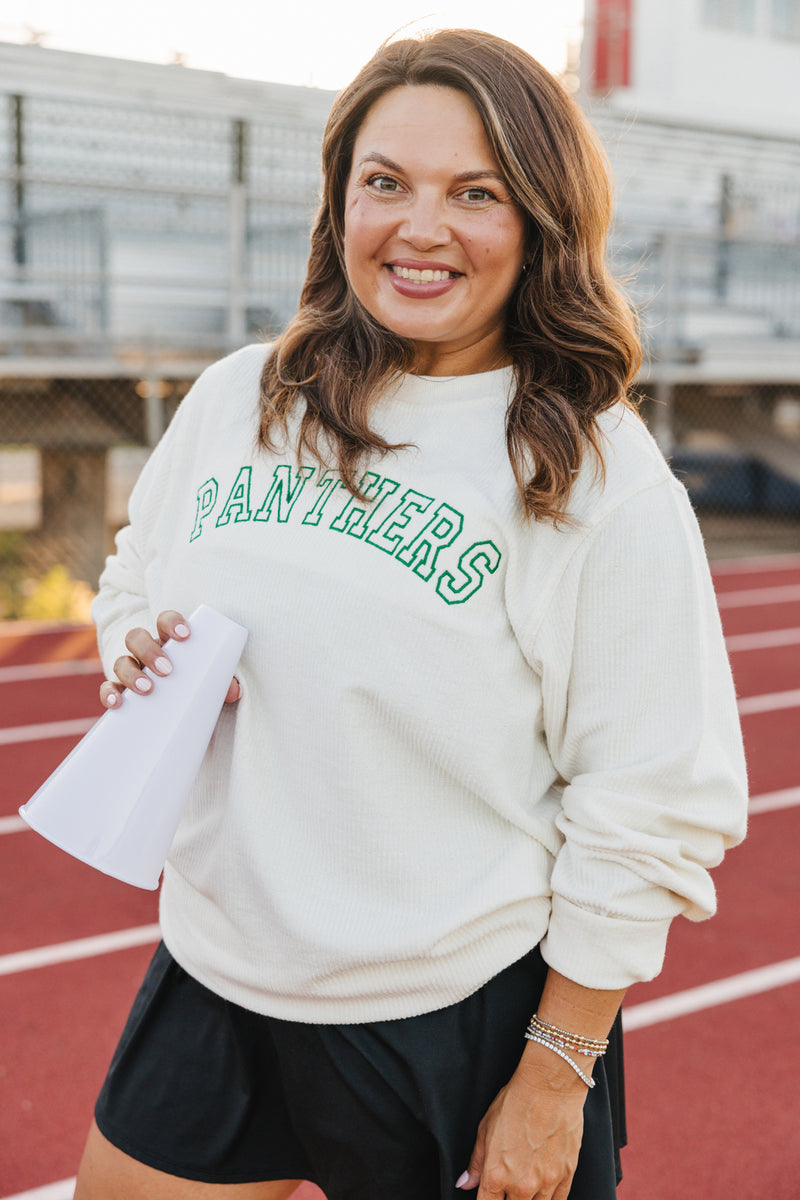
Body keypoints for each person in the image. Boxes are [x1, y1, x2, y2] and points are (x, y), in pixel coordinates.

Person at [74, 28, 747, 1200]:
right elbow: (138, 573)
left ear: (539, 220)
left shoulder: (592, 472)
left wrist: (553, 1074)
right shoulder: (246, 394)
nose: (419, 228)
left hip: (450, 1009)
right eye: (384, 182)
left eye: (473, 194)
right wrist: (133, 643)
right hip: (218, 964)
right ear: (340, 199)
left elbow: (653, 798)